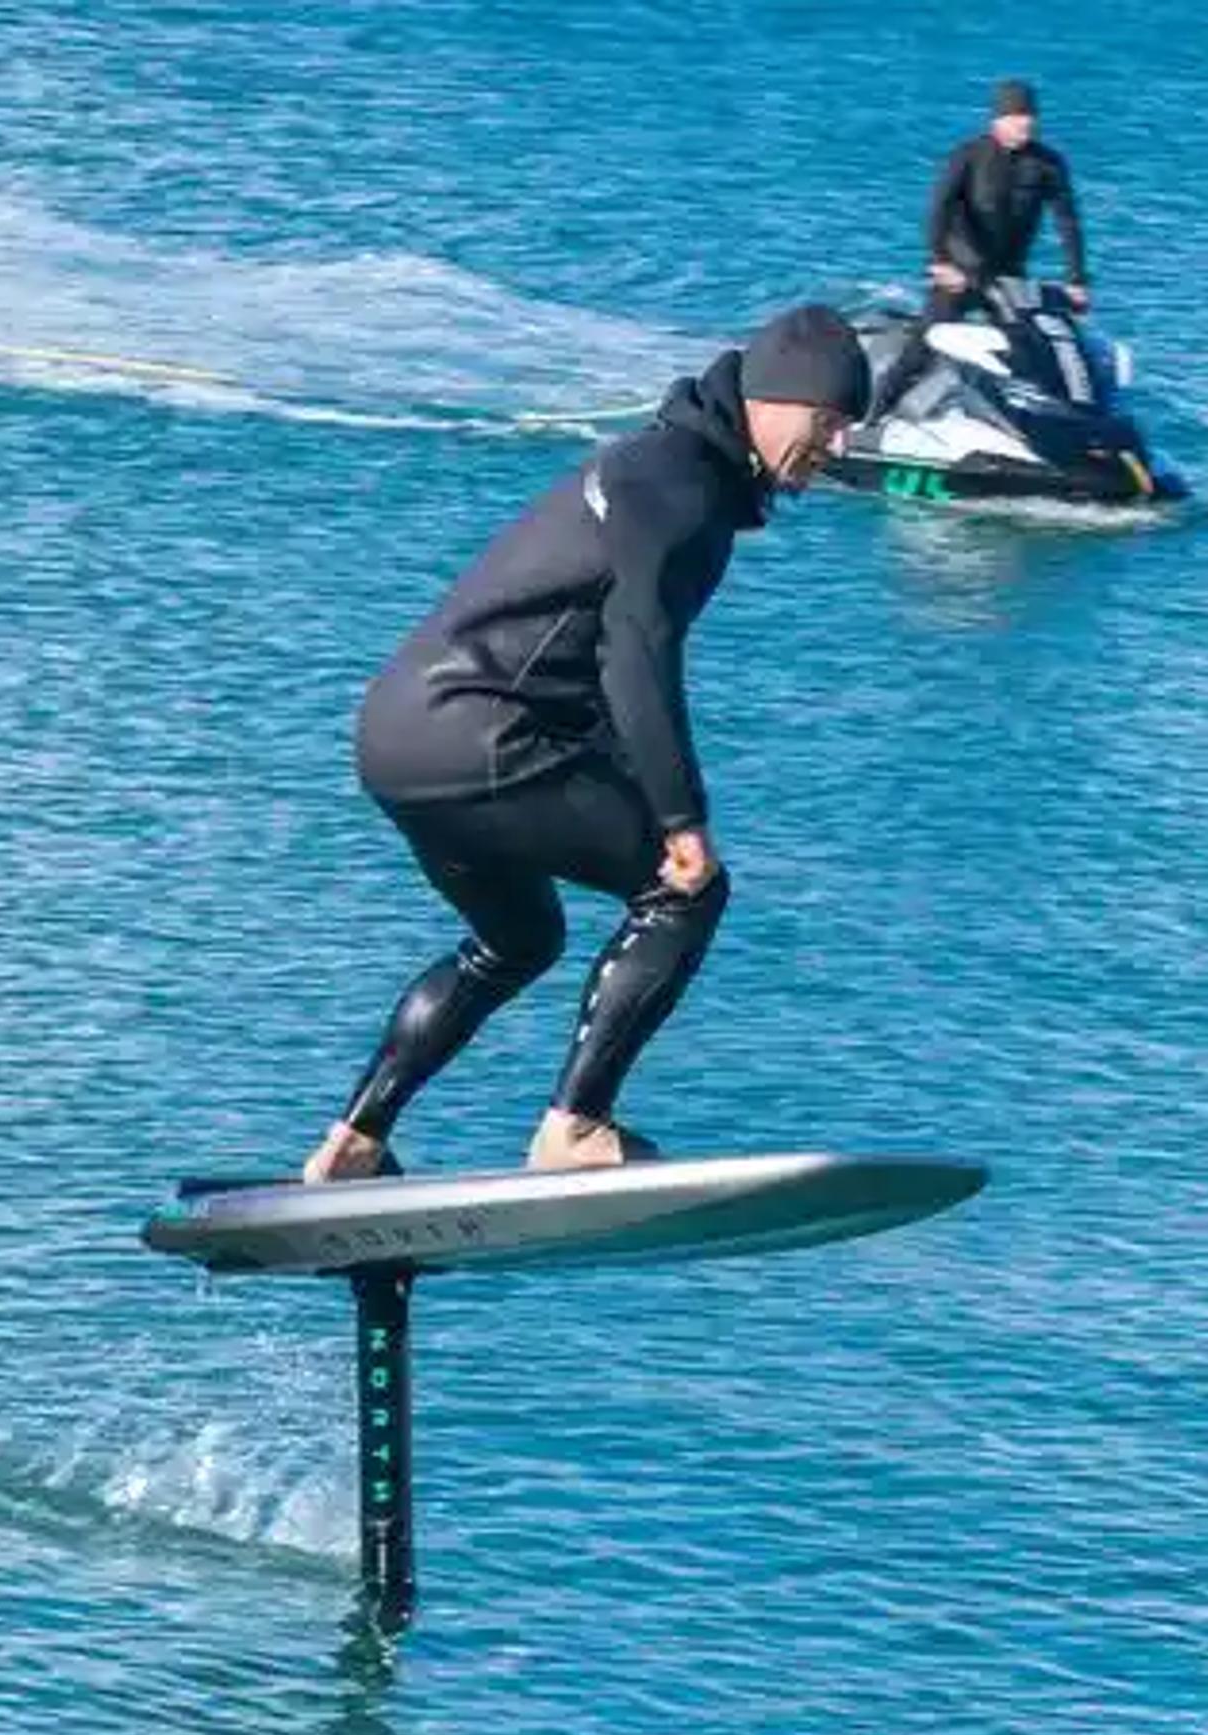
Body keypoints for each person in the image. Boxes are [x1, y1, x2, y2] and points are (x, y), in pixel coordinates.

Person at [300, 306, 872, 1182]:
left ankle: (353, 1142)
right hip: (479, 731)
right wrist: (681, 820)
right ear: (771, 398)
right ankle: (575, 1127)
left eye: (846, 428)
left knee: (516, 939)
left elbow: (594, 656)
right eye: (827, 421)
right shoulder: (683, 491)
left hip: (399, 735)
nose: (835, 445)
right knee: (684, 891)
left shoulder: (654, 468)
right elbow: (635, 655)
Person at [880, 79, 1090, 415]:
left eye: (1031, 115)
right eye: (1018, 115)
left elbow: (1068, 222)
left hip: (1008, 276)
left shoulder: (1048, 165)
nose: (1027, 122)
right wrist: (940, 262)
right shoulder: (969, 156)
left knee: (1028, 352)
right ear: (998, 121)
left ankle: (1037, 431)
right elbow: (939, 209)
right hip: (961, 272)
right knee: (925, 342)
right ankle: (873, 414)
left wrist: (1077, 280)